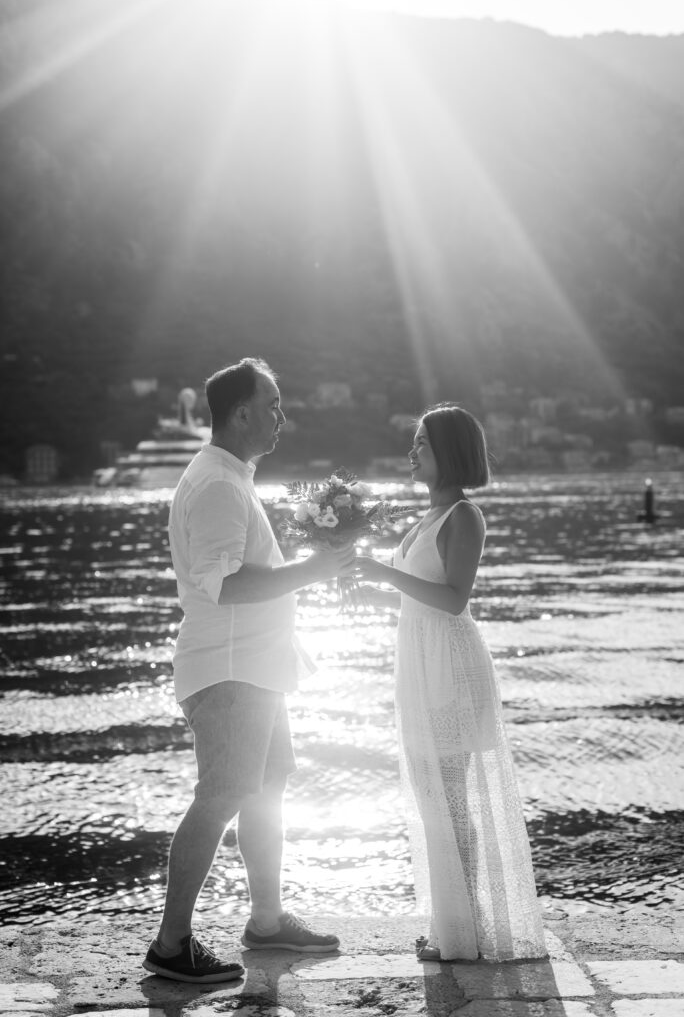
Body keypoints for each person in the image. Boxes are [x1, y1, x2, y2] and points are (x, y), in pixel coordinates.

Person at [144, 358, 355, 983]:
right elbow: (226, 585)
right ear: (241, 413)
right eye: (273, 404)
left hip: (258, 667)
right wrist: (316, 571)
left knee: (267, 788)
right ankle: (171, 943)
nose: (281, 416)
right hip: (231, 670)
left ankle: (266, 922)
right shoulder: (215, 484)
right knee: (223, 794)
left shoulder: (231, 477)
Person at [355, 403, 546, 962]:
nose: (411, 453)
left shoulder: (465, 516)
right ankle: (453, 923)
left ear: (450, 452)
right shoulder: (424, 517)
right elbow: (414, 594)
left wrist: (383, 573)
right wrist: (360, 580)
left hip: (450, 665)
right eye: (413, 443)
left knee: (450, 799)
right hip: (419, 660)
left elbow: (454, 598)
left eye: (422, 444)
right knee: (432, 797)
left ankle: (465, 931)